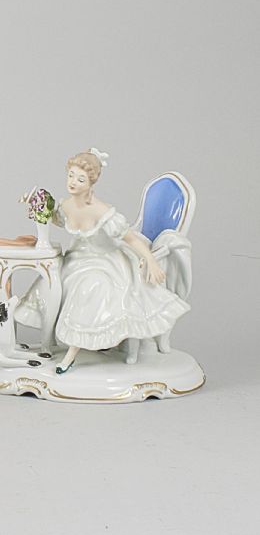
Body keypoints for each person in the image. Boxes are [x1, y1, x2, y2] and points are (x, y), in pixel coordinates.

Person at [17, 148, 190, 374]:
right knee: (49, 280)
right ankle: (47, 344)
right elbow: (53, 217)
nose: (73, 182)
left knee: (88, 288)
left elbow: (131, 239)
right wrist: (33, 202)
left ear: (91, 183)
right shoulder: (67, 205)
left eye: (80, 179)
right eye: (71, 175)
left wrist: (150, 259)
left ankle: (71, 354)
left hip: (105, 261)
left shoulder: (103, 212)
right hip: (76, 258)